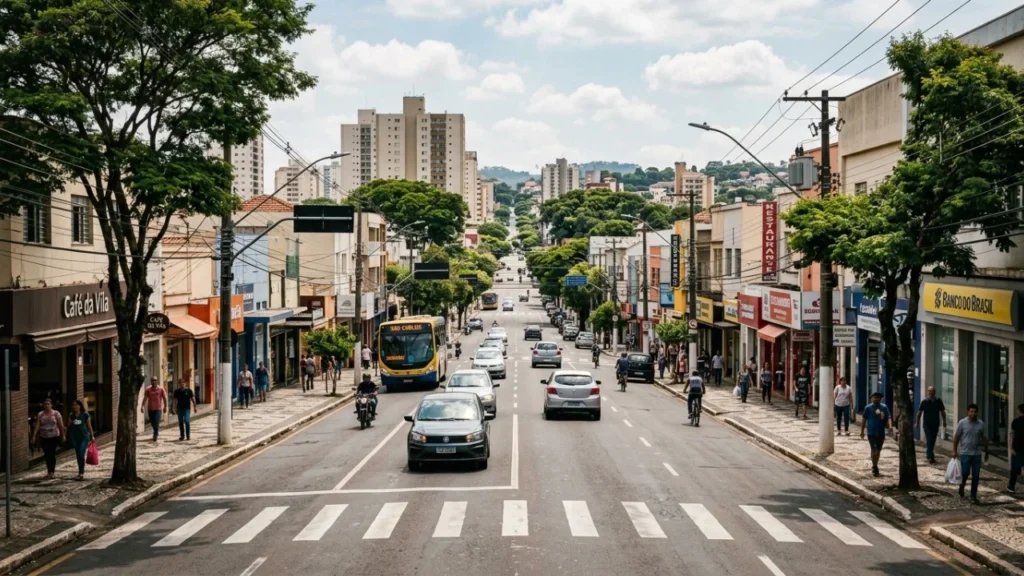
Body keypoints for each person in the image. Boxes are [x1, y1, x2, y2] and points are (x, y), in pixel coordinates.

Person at [953, 404, 989, 502]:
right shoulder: (962, 423)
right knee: (965, 473)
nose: (973, 413)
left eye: (974, 412)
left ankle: (973, 495)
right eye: (971, 411)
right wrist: (954, 450)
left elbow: (984, 438)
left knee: (976, 475)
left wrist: (986, 451)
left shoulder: (981, 424)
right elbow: (956, 437)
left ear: (977, 412)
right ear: (968, 412)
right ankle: (962, 486)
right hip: (965, 452)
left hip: (976, 453)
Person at [31, 398, 65, 479]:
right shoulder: (40, 414)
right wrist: (34, 436)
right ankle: (49, 471)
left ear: (51, 405)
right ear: (43, 405)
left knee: (51, 453)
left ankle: (51, 472)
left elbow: (61, 425)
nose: (47, 406)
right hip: (44, 436)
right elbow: (37, 425)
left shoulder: (56, 414)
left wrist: (63, 435)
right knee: (47, 454)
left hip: (54, 436)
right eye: (45, 404)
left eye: (48, 404)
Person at [860, 391, 891, 477]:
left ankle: (875, 464)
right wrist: (862, 431)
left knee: (878, 450)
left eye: (878, 397)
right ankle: (874, 466)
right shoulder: (868, 408)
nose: (876, 399)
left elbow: (888, 417)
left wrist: (890, 427)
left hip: (881, 432)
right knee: (873, 449)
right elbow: (864, 419)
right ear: (871, 398)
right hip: (871, 432)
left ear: (880, 399)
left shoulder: (884, 407)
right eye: (874, 397)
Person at [916, 386, 947, 464]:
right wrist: (917, 422)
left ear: (935, 392)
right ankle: (931, 456)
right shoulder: (924, 401)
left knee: (932, 440)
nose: (931, 392)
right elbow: (919, 413)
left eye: (932, 391)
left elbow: (943, 412)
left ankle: (928, 453)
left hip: (935, 424)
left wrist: (944, 421)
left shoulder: (938, 401)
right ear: (927, 392)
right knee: (929, 439)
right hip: (927, 424)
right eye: (929, 391)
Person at [68, 399, 94, 481]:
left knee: (81, 453)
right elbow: (69, 426)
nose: (74, 406)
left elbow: (89, 426)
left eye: (76, 405)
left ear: (80, 406)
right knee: (78, 454)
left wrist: (92, 436)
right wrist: (65, 435)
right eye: (73, 405)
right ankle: (80, 472)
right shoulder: (71, 415)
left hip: (84, 437)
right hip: (75, 438)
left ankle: (81, 473)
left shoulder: (85, 414)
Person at [141, 377, 166, 442]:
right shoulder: (148, 389)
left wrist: (165, 407)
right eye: (152, 380)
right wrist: (142, 406)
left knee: (156, 422)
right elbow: (145, 398)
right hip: (150, 408)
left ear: (157, 381)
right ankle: (156, 432)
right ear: (151, 381)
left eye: (155, 380)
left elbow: (164, 398)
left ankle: (155, 434)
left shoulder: (161, 389)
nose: (154, 382)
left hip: (158, 408)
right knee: (152, 422)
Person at [1008, 403, 1023, 494]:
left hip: (1017, 448)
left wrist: (1011, 447)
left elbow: (1012, 435)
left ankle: (1011, 486)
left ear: (1019, 411)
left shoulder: (1015, 421)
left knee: (1014, 469)